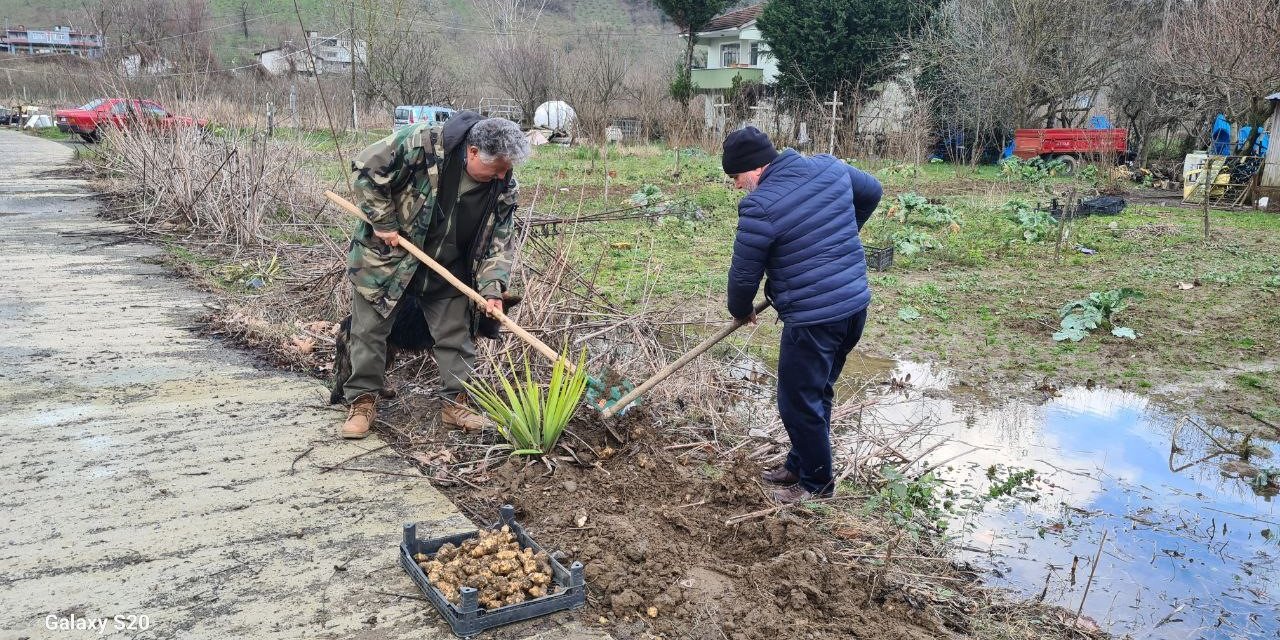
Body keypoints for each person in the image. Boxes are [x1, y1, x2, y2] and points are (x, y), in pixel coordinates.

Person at [338, 113, 529, 439]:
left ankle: (456, 405)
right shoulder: (421, 143)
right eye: (497, 167)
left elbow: (500, 241)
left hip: (447, 267)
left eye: (507, 168)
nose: (503, 175)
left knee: (456, 336)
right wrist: (383, 221)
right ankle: (362, 402)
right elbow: (366, 171)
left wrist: (492, 288)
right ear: (472, 153)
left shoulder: (503, 187)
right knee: (369, 332)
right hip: (388, 260)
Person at [721, 126, 882, 504]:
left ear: (754, 168)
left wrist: (741, 311)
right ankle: (800, 463)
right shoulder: (828, 168)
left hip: (815, 318)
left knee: (796, 400)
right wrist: (842, 235)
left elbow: (743, 276)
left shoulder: (760, 206)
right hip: (853, 309)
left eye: (736, 178)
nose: (737, 187)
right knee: (817, 391)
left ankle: (815, 485)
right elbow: (872, 190)